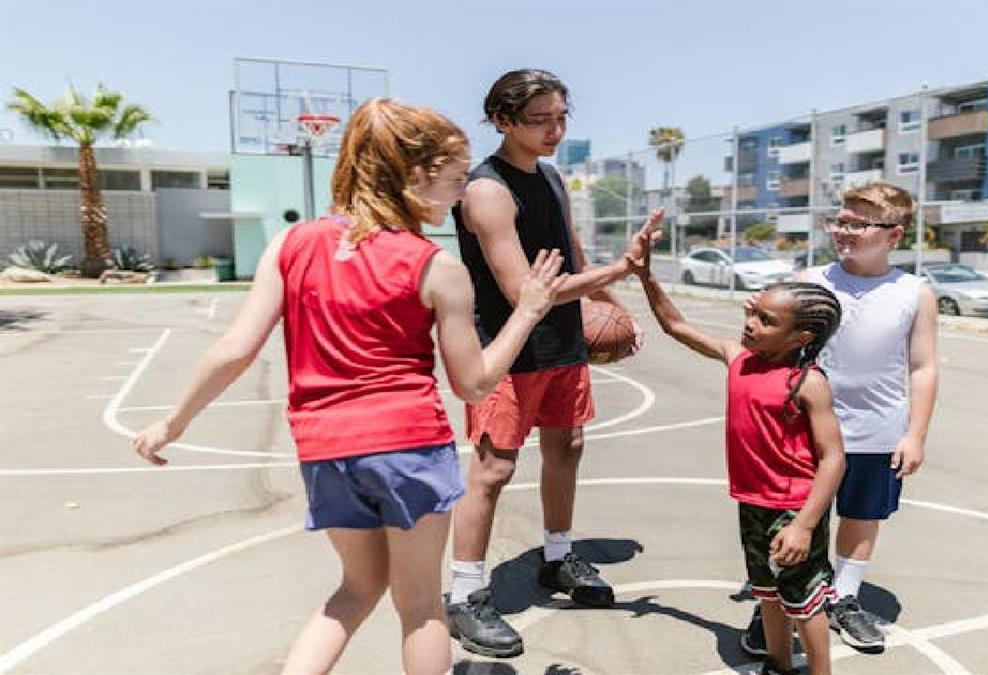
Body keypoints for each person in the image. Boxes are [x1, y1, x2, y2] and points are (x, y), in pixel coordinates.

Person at [132, 99, 569, 675]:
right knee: (420, 609)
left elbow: (236, 349)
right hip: (408, 446)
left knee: (354, 591)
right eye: (455, 180)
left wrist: (174, 422)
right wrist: (528, 311)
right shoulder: (434, 266)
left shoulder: (291, 245)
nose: (462, 194)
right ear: (415, 177)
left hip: (325, 448)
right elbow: (475, 383)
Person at [445, 67, 662, 658]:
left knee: (567, 448)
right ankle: (465, 594)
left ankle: (559, 558)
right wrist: (620, 270)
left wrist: (613, 304)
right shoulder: (486, 190)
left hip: (563, 342)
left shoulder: (552, 177)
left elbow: (574, 253)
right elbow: (524, 292)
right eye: (541, 120)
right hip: (508, 346)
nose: (555, 130)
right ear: (502, 121)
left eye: (562, 117)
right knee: (493, 469)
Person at [741, 181, 939, 656]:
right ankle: (775, 600)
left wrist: (915, 434)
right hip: (807, 426)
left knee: (862, 513)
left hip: (878, 427)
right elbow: (771, 341)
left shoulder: (915, 292)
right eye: (840, 220)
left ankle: (844, 597)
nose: (843, 230)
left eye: (858, 223)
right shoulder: (812, 280)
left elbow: (923, 366)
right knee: (789, 517)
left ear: (894, 234)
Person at [634, 251, 845, 675]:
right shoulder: (738, 357)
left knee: (803, 601)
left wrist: (804, 524)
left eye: (768, 321)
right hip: (753, 501)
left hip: (793, 507)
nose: (751, 323)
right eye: (755, 314)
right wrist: (646, 276)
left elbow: (833, 457)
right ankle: (779, 663)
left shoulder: (807, 383)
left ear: (800, 338)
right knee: (767, 592)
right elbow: (675, 326)